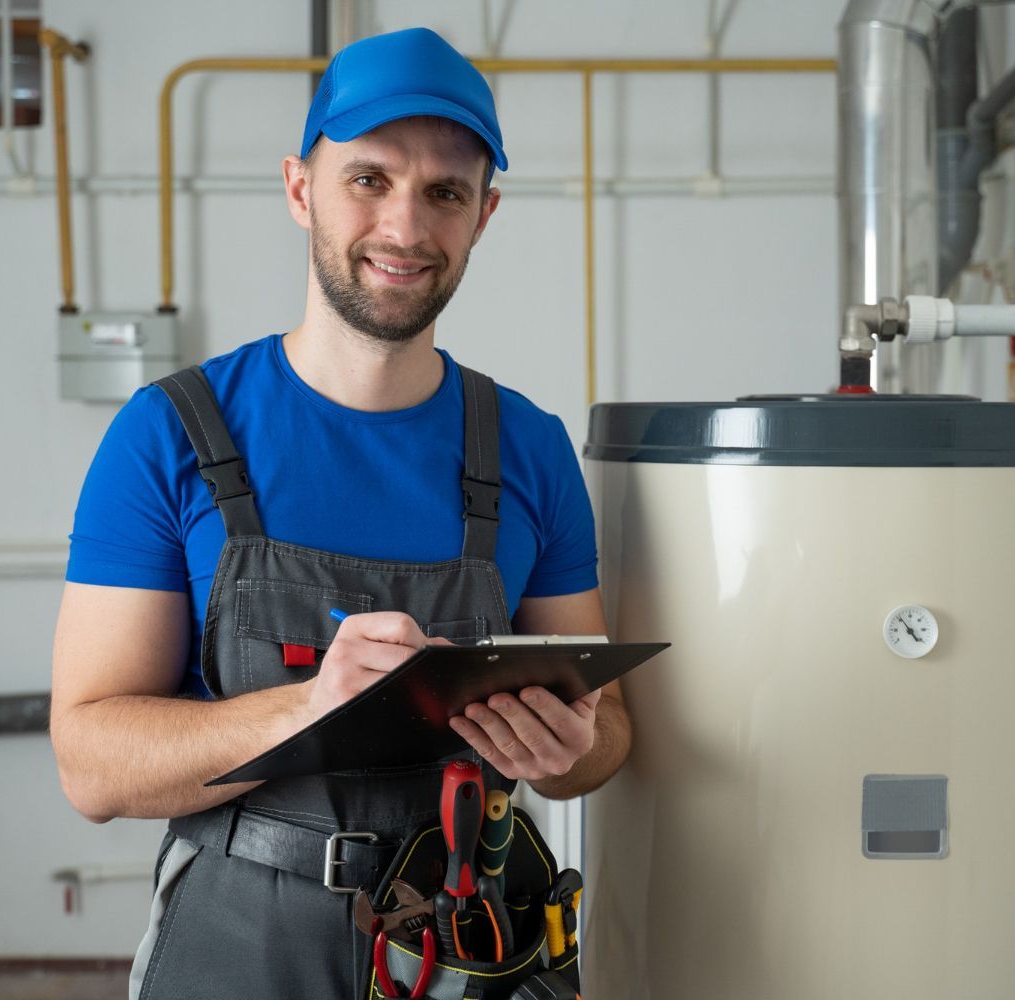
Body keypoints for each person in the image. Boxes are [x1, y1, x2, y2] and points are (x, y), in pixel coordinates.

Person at [49, 27, 630, 999]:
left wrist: (572, 752)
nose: (406, 225)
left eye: (445, 191)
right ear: (298, 187)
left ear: (482, 215)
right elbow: (93, 764)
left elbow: (610, 734)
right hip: (239, 939)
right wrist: (311, 708)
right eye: (369, 178)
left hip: (469, 936)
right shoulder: (171, 435)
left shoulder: (527, 447)